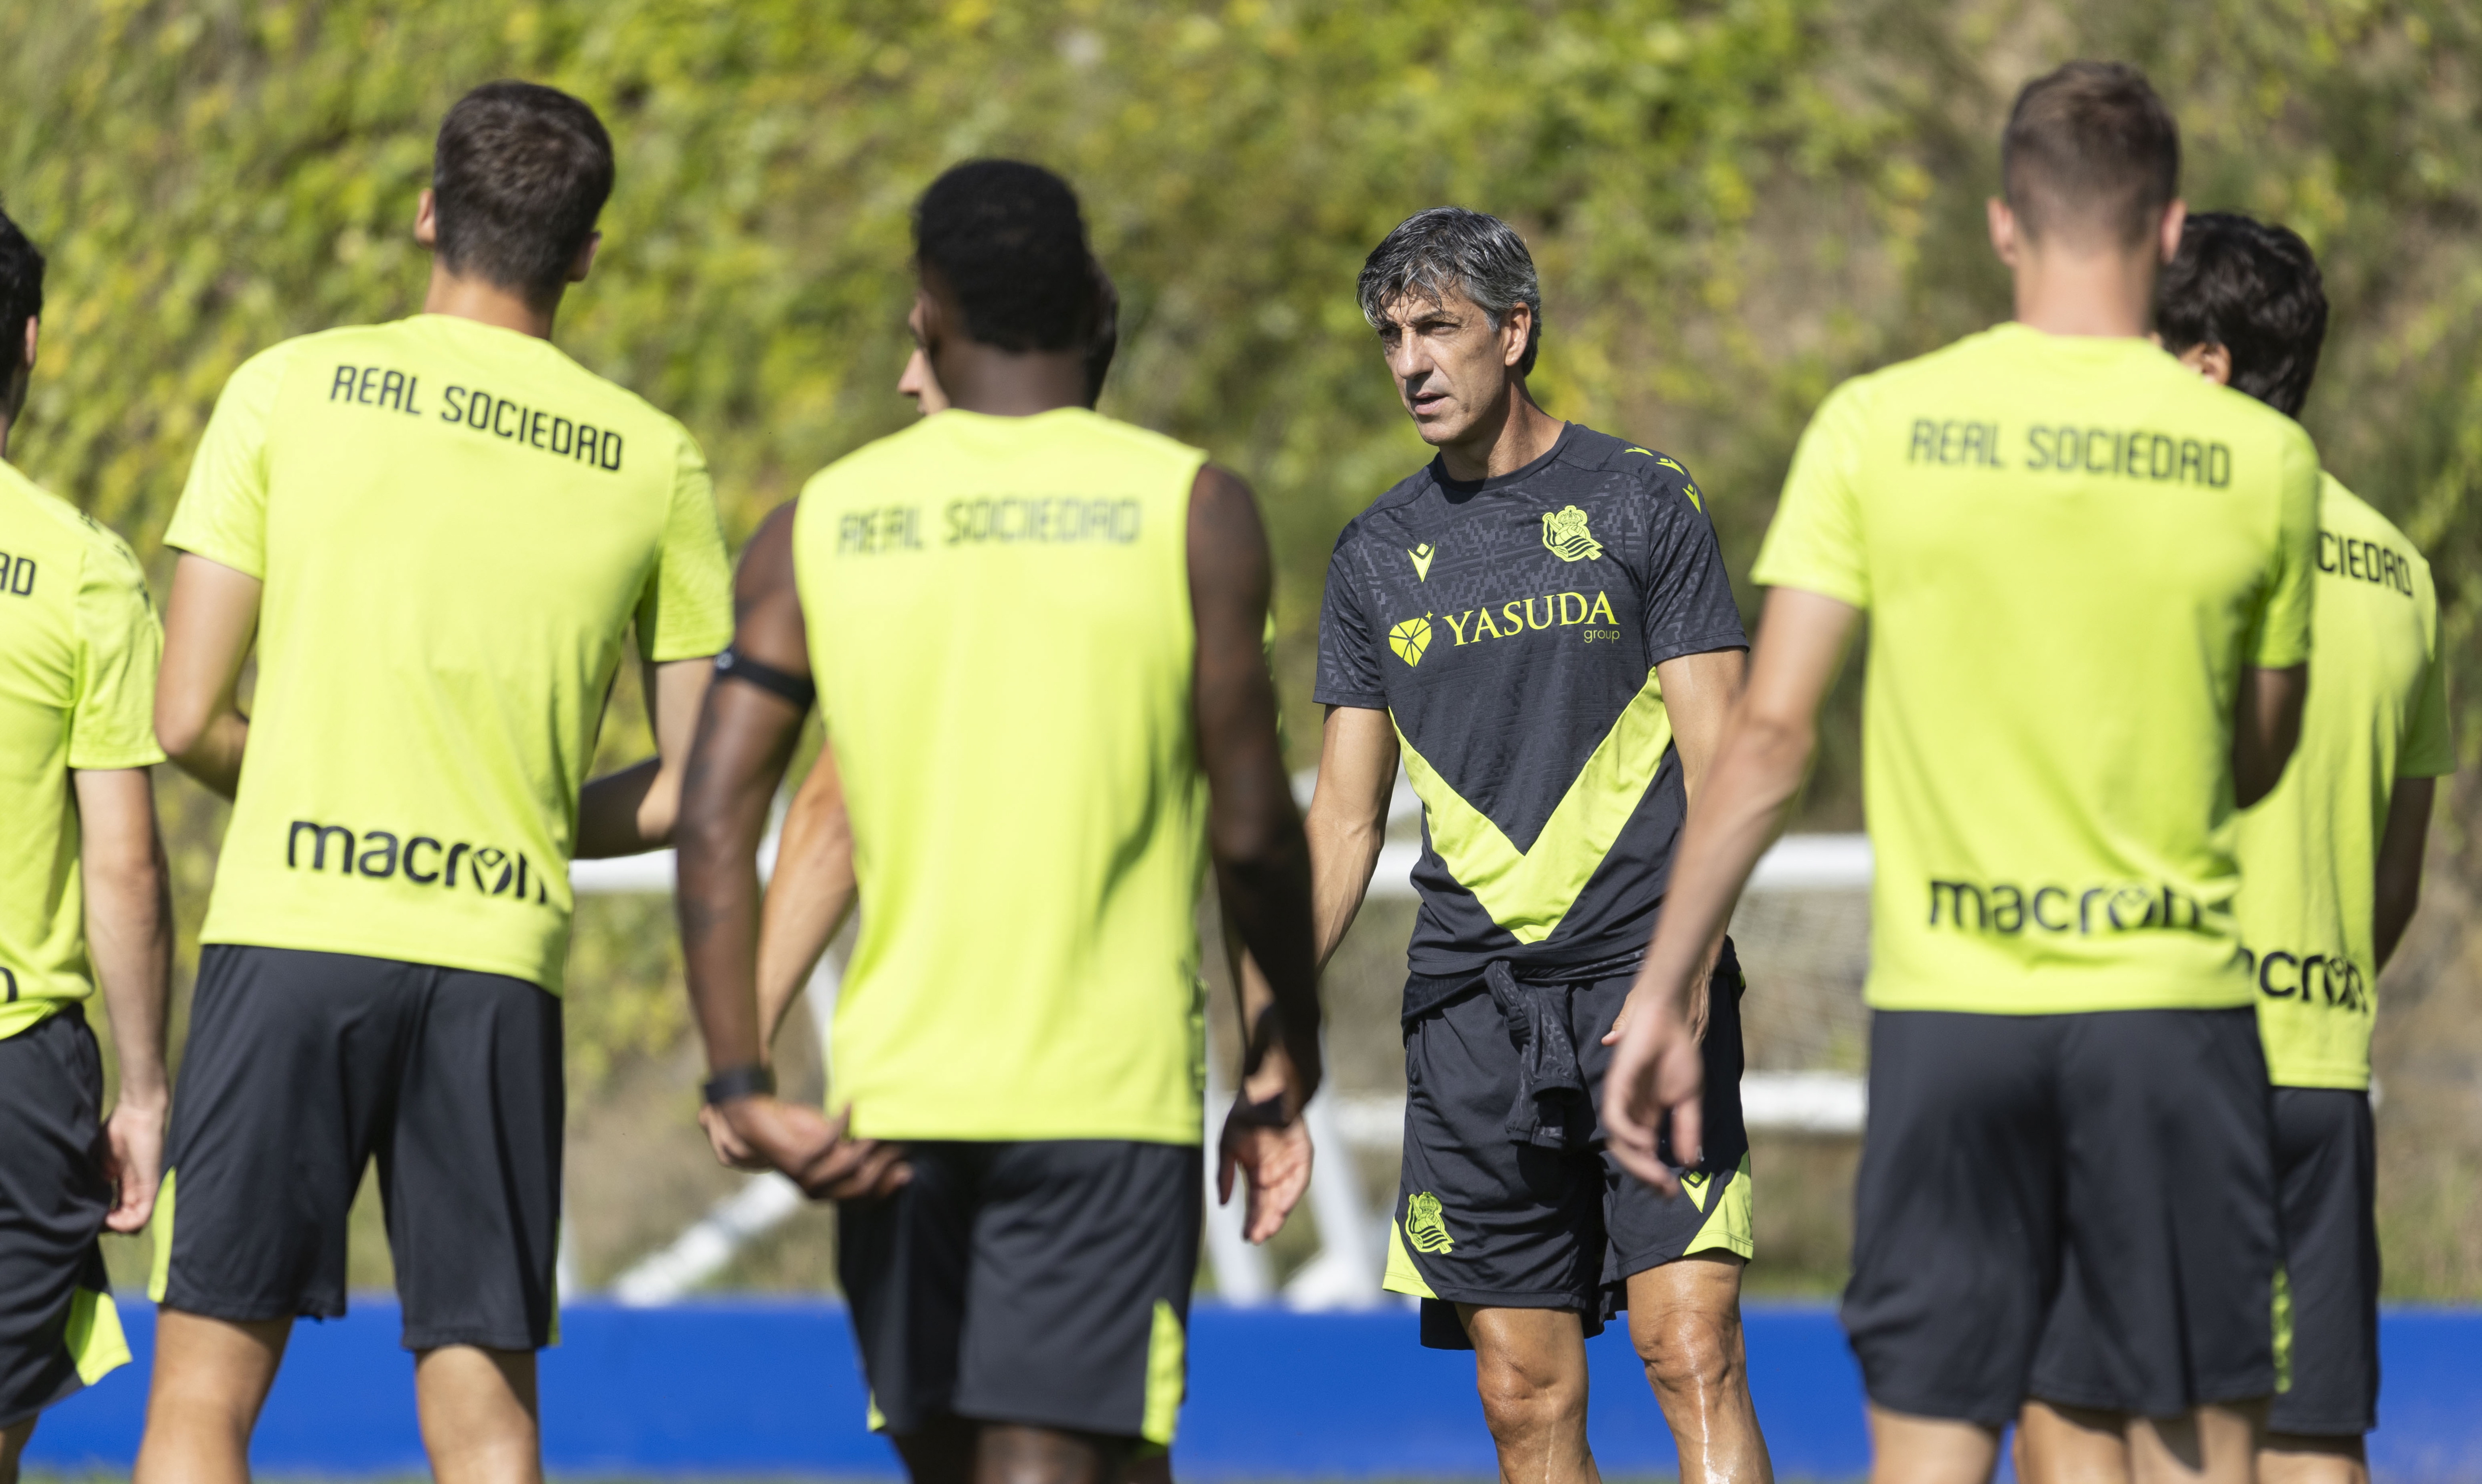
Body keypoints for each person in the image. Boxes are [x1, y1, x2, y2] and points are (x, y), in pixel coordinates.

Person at [1604, 62, 2320, 1484]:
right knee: (2194, 1443)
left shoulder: (1877, 424)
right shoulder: (2259, 459)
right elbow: (2257, 754)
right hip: (2163, 1018)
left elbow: (1766, 742)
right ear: (2168, 233)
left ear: (2003, 226)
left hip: (1950, 1019)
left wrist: (1666, 985)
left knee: (1929, 1448)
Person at [672, 159, 1323, 1484]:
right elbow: (1254, 830)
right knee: (1057, 1457)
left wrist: (738, 1069)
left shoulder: (822, 525)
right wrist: (1282, 1058)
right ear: (1086, 309)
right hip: (1106, 1086)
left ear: (928, 313)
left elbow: (718, 814)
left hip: (897, 1092)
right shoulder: (1191, 510)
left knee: (988, 1457)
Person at [138, 81, 731, 1484]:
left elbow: (182, 714)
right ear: (584, 252)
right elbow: (693, 792)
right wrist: (514, 818)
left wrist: (304, 781)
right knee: (483, 1421)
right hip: (493, 960)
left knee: (202, 1404)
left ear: (425, 214)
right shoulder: (656, 461)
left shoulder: (286, 384)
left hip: (289, 933)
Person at [1307, 205, 1765, 1483]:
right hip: (1468, 1015)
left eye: (1437, 328)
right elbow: (1342, 822)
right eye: (1391, 335)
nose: (1410, 362)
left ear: (1513, 332)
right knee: (1521, 1391)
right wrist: (1273, 1017)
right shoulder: (1371, 557)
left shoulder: (1638, 498)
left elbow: (1724, 765)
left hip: (1644, 987)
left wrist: (1679, 986)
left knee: (1691, 1350)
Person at [2062, 211, 2440, 1484]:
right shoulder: (2397, 568)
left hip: (2158, 1049)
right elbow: (2395, 870)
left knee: (2103, 1421)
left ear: (2206, 365)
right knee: (2308, 1435)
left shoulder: (2147, 540)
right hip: (2320, 1064)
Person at [0, 206, 173, 1484]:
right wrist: (146, 1088)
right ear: (33, 344)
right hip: (18, 1071)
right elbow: (123, 863)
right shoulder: (82, 571)